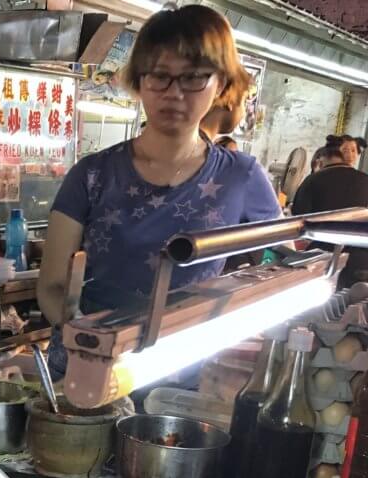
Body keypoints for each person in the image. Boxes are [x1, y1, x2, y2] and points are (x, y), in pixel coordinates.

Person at [38, 5, 280, 379]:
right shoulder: (91, 175)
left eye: (194, 78)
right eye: (160, 77)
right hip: (87, 366)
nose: (174, 94)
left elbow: (284, 269)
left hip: (186, 370)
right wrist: (89, 336)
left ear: (222, 84)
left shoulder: (241, 177)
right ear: (139, 80)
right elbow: (52, 285)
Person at [291, 144, 368, 286]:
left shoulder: (313, 180)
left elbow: (297, 222)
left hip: (324, 260)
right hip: (363, 260)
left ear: (319, 162)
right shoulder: (365, 179)